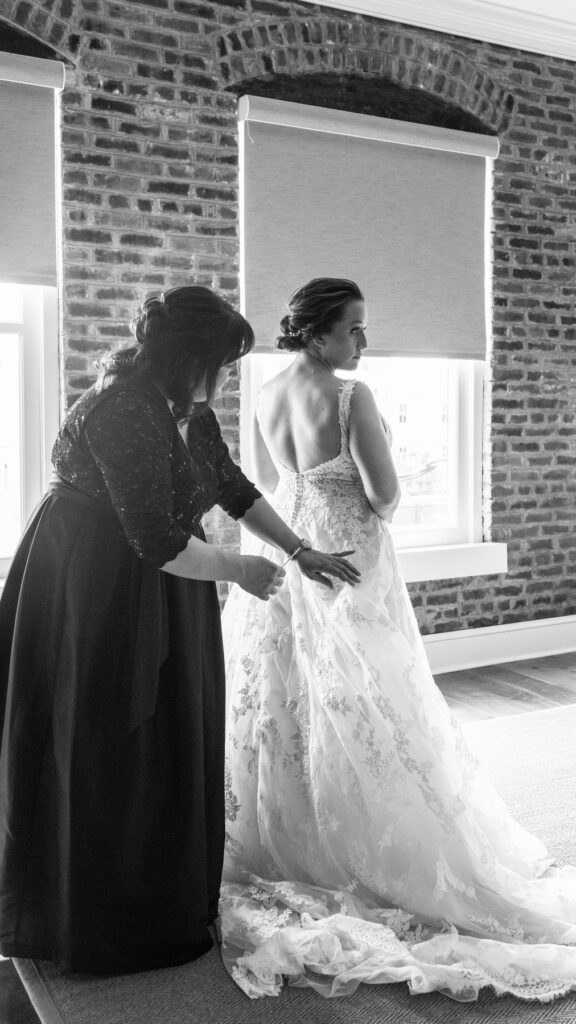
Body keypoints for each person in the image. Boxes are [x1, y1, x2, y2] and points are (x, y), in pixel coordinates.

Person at [219, 278, 576, 1002]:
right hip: (345, 548)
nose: (363, 344)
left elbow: (273, 480)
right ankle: (367, 838)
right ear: (317, 334)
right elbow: (384, 496)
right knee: (371, 697)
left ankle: (290, 830)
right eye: (354, 330)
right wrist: (390, 455)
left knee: (289, 696)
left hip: (289, 543)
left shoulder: (264, 391)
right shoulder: (351, 398)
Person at [0, 285, 359, 975]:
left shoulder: (188, 409)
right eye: (223, 363)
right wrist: (239, 569)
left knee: (175, 732)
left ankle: (165, 898)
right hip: (94, 584)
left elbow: (230, 485)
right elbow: (153, 538)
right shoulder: (123, 411)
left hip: (169, 574)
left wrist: (296, 549)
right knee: (110, 741)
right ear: (188, 357)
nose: (226, 378)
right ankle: (101, 917)